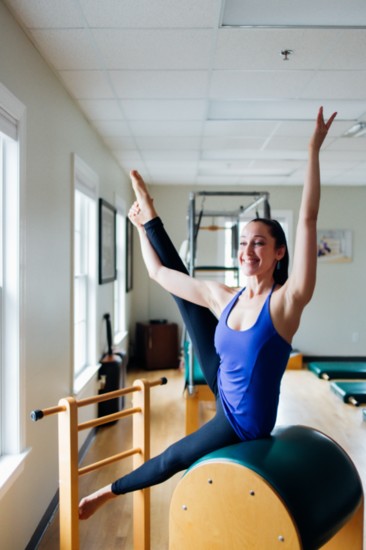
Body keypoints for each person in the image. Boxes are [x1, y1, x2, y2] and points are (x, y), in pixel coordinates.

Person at [78, 106, 337, 520]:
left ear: (278, 253)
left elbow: (307, 218)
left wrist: (312, 150)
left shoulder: (287, 303)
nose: (247, 250)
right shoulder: (225, 296)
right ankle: (152, 214)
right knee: (185, 294)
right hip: (220, 374)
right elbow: (159, 272)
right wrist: (141, 225)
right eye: (244, 242)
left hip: (243, 421)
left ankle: (106, 492)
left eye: (259, 243)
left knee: (171, 459)